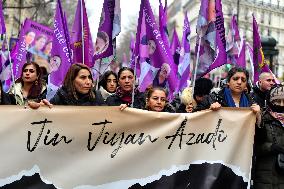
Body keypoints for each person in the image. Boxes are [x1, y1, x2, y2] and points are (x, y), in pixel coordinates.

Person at [253, 85, 284, 189]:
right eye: (277, 101)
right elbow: (253, 147)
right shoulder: (261, 118)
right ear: (270, 101)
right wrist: (270, 147)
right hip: (265, 178)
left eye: (283, 101)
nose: (281, 105)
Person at [195, 67, 260, 114]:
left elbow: (258, 129)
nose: (239, 82)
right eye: (235, 79)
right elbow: (195, 117)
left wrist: (258, 115)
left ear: (246, 84)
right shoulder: (212, 98)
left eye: (243, 80)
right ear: (228, 82)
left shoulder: (252, 101)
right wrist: (209, 110)